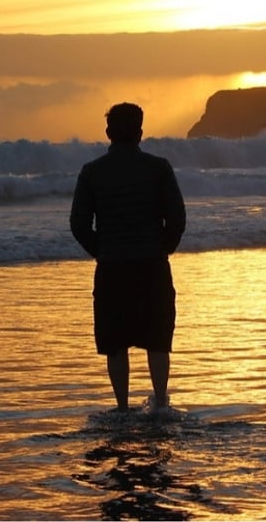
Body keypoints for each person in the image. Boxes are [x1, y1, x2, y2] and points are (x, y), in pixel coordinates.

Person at [70, 102, 186, 412]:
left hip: (112, 267)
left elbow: (78, 224)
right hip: (152, 265)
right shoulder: (159, 168)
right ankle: (160, 403)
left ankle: (122, 407)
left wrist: (101, 250)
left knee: (115, 342)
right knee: (157, 339)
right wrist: (163, 247)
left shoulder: (92, 172)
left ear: (108, 132)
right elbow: (177, 217)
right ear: (140, 132)